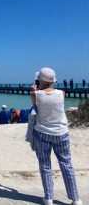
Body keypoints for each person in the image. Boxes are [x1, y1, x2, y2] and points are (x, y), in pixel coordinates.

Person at [30, 68, 82, 205]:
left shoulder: (35, 94)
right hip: (61, 133)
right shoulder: (62, 93)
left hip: (42, 133)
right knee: (66, 164)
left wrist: (34, 89)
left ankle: (48, 198)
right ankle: (75, 198)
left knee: (45, 165)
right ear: (53, 80)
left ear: (39, 80)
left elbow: (35, 105)